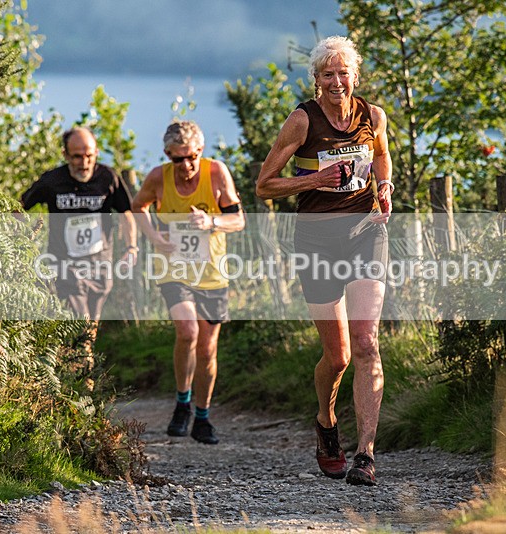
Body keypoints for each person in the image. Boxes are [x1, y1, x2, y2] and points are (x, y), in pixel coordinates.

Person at [255, 36, 393, 486]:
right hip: (316, 240)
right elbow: (264, 185)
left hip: (365, 234)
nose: (337, 82)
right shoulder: (302, 120)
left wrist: (385, 187)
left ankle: (366, 455)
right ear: (317, 81)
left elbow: (383, 159)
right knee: (337, 358)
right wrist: (315, 178)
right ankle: (327, 421)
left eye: (344, 73)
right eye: (328, 75)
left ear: (356, 76)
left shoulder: (373, 116)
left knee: (367, 341)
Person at [132, 120, 245, 445]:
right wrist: (154, 237)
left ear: (200, 152)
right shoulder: (158, 178)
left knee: (208, 348)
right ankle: (182, 402)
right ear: (168, 155)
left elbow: (238, 220)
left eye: (192, 156)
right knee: (187, 331)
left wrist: (211, 220)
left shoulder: (216, 173)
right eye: (178, 159)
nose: (186, 165)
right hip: (173, 269)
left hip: (211, 272)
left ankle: (203, 416)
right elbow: (138, 206)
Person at [21, 127, 137, 355]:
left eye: (89, 156)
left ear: (96, 153)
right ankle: (83, 376)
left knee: (90, 326)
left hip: (100, 265)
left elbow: (127, 213)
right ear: (65, 154)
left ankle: (78, 372)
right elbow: (19, 207)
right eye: (77, 156)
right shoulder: (52, 180)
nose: (84, 163)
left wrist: (132, 247)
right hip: (66, 266)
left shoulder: (108, 178)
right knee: (80, 321)